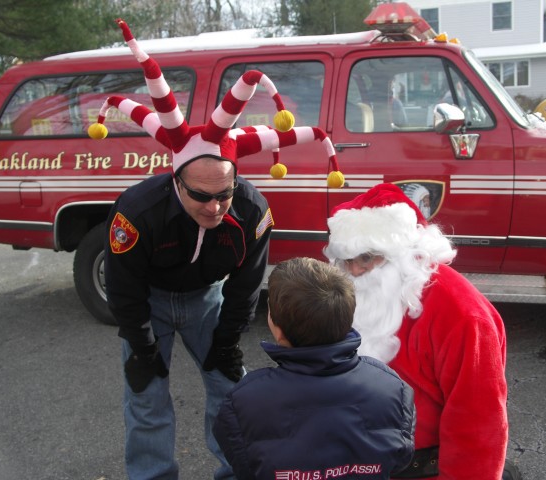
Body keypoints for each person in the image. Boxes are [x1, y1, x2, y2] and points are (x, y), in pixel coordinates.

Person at [95, 19, 344, 480]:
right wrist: (142, 343)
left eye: (223, 193)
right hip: (148, 297)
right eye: (201, 196)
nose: (214, 207)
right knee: (147, 398)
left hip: (205, 297)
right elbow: (124, 287)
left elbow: (248, 284)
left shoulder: (251, 210)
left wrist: (229, 338)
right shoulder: (137, 210)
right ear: (176, 181)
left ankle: (237, 473)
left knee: (232, 390)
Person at [324, 183, 512, 480]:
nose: (356, 271)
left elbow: (477, 425)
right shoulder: (354, 293)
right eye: (347, 260)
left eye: (368, 257)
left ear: (408, 252)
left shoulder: (464, 315)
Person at [214, 257, 416, 480]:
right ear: (348, 318)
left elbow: (242, 465)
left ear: (278, 331)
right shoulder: (392, 387)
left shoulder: (244, 400)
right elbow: (400, 458)